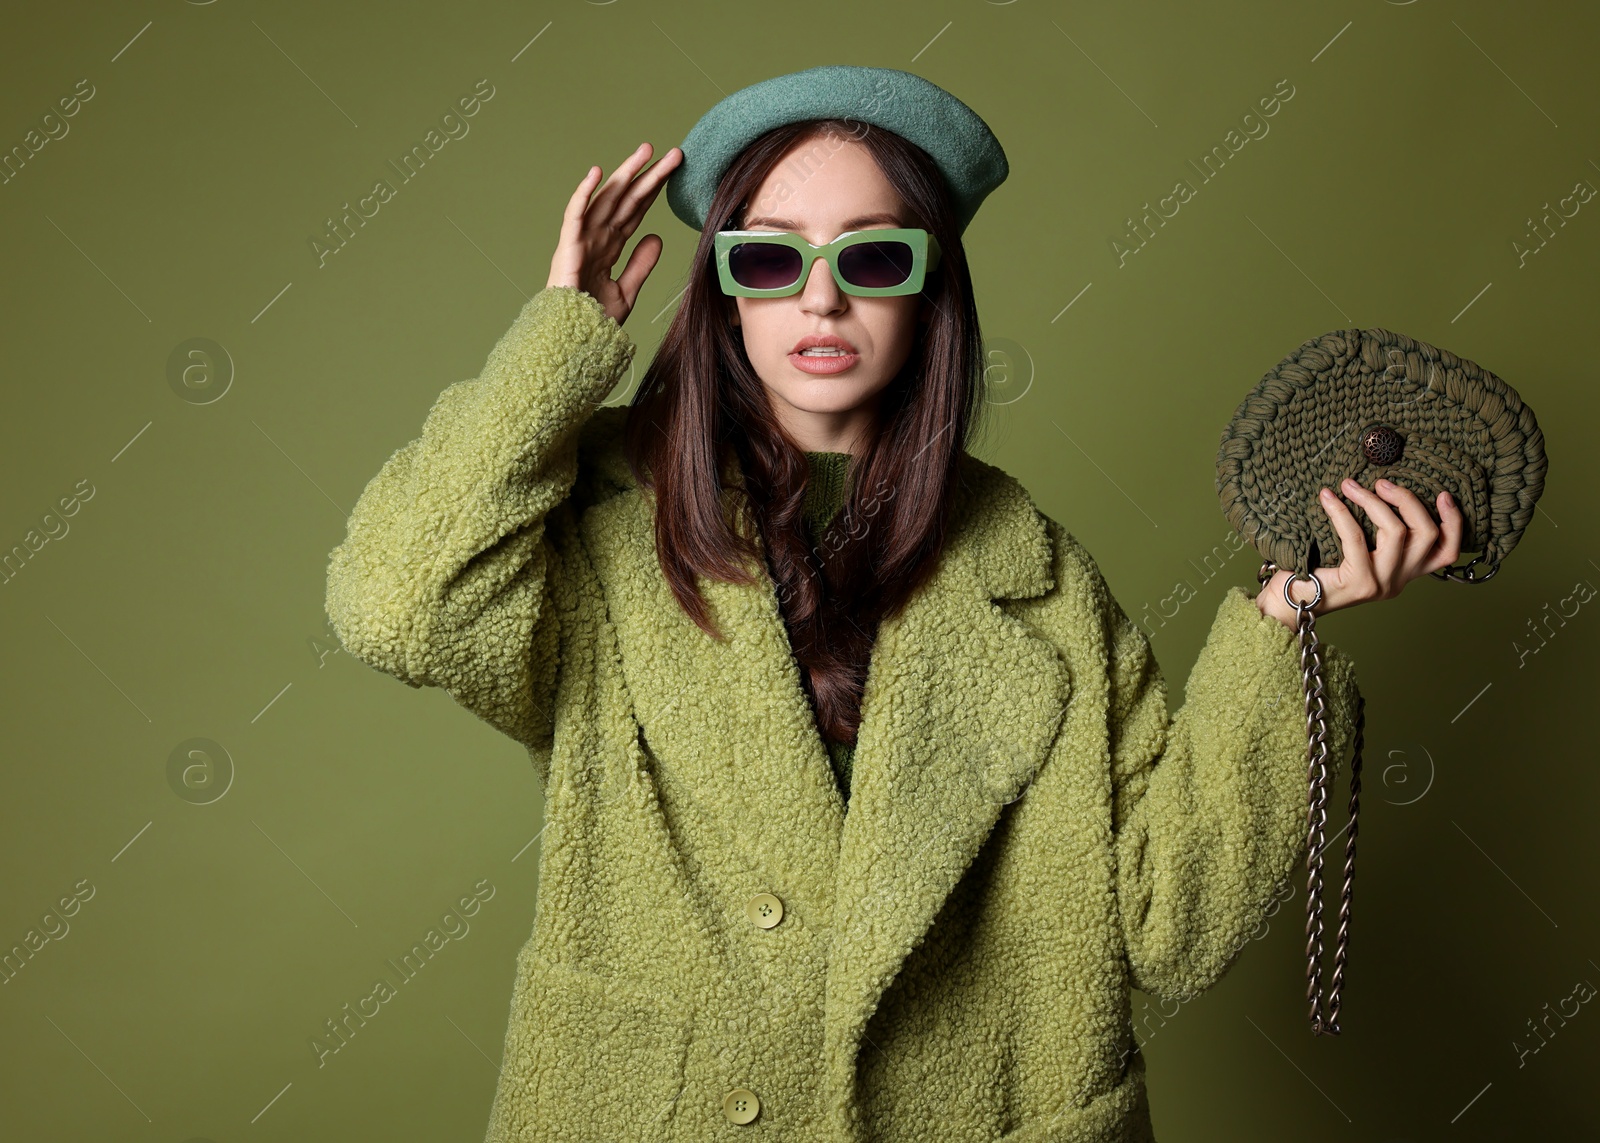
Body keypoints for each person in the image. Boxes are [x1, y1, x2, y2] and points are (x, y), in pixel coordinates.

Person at [324, 66, 1461, 1143]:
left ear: (932, 293)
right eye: (768, 263)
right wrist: (557, 345)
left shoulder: (1037, 579)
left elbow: (1176, 927)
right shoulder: (606, 528)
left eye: (873, 260)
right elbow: (396, 605)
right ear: (721, 292)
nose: (820, 298)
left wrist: (1283, 619)